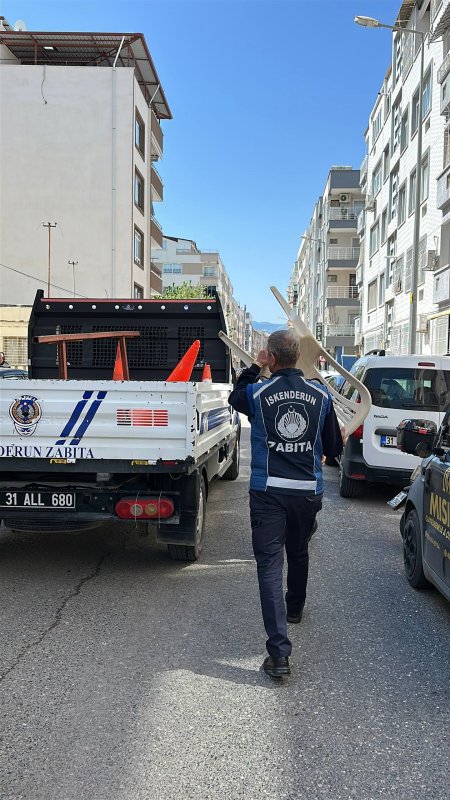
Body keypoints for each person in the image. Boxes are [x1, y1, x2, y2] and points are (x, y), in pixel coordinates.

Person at [228, 329, 343, 679]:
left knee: (268, 566)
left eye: (267, 356)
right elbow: (334, 448)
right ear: (298, 357)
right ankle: (295, 609)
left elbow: (235, 396)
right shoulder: (320, 394)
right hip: (307, 492)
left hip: (268, 492)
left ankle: (279, 654)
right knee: (299, 550)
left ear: (273, 358)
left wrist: (253, 365)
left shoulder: (258, 391)